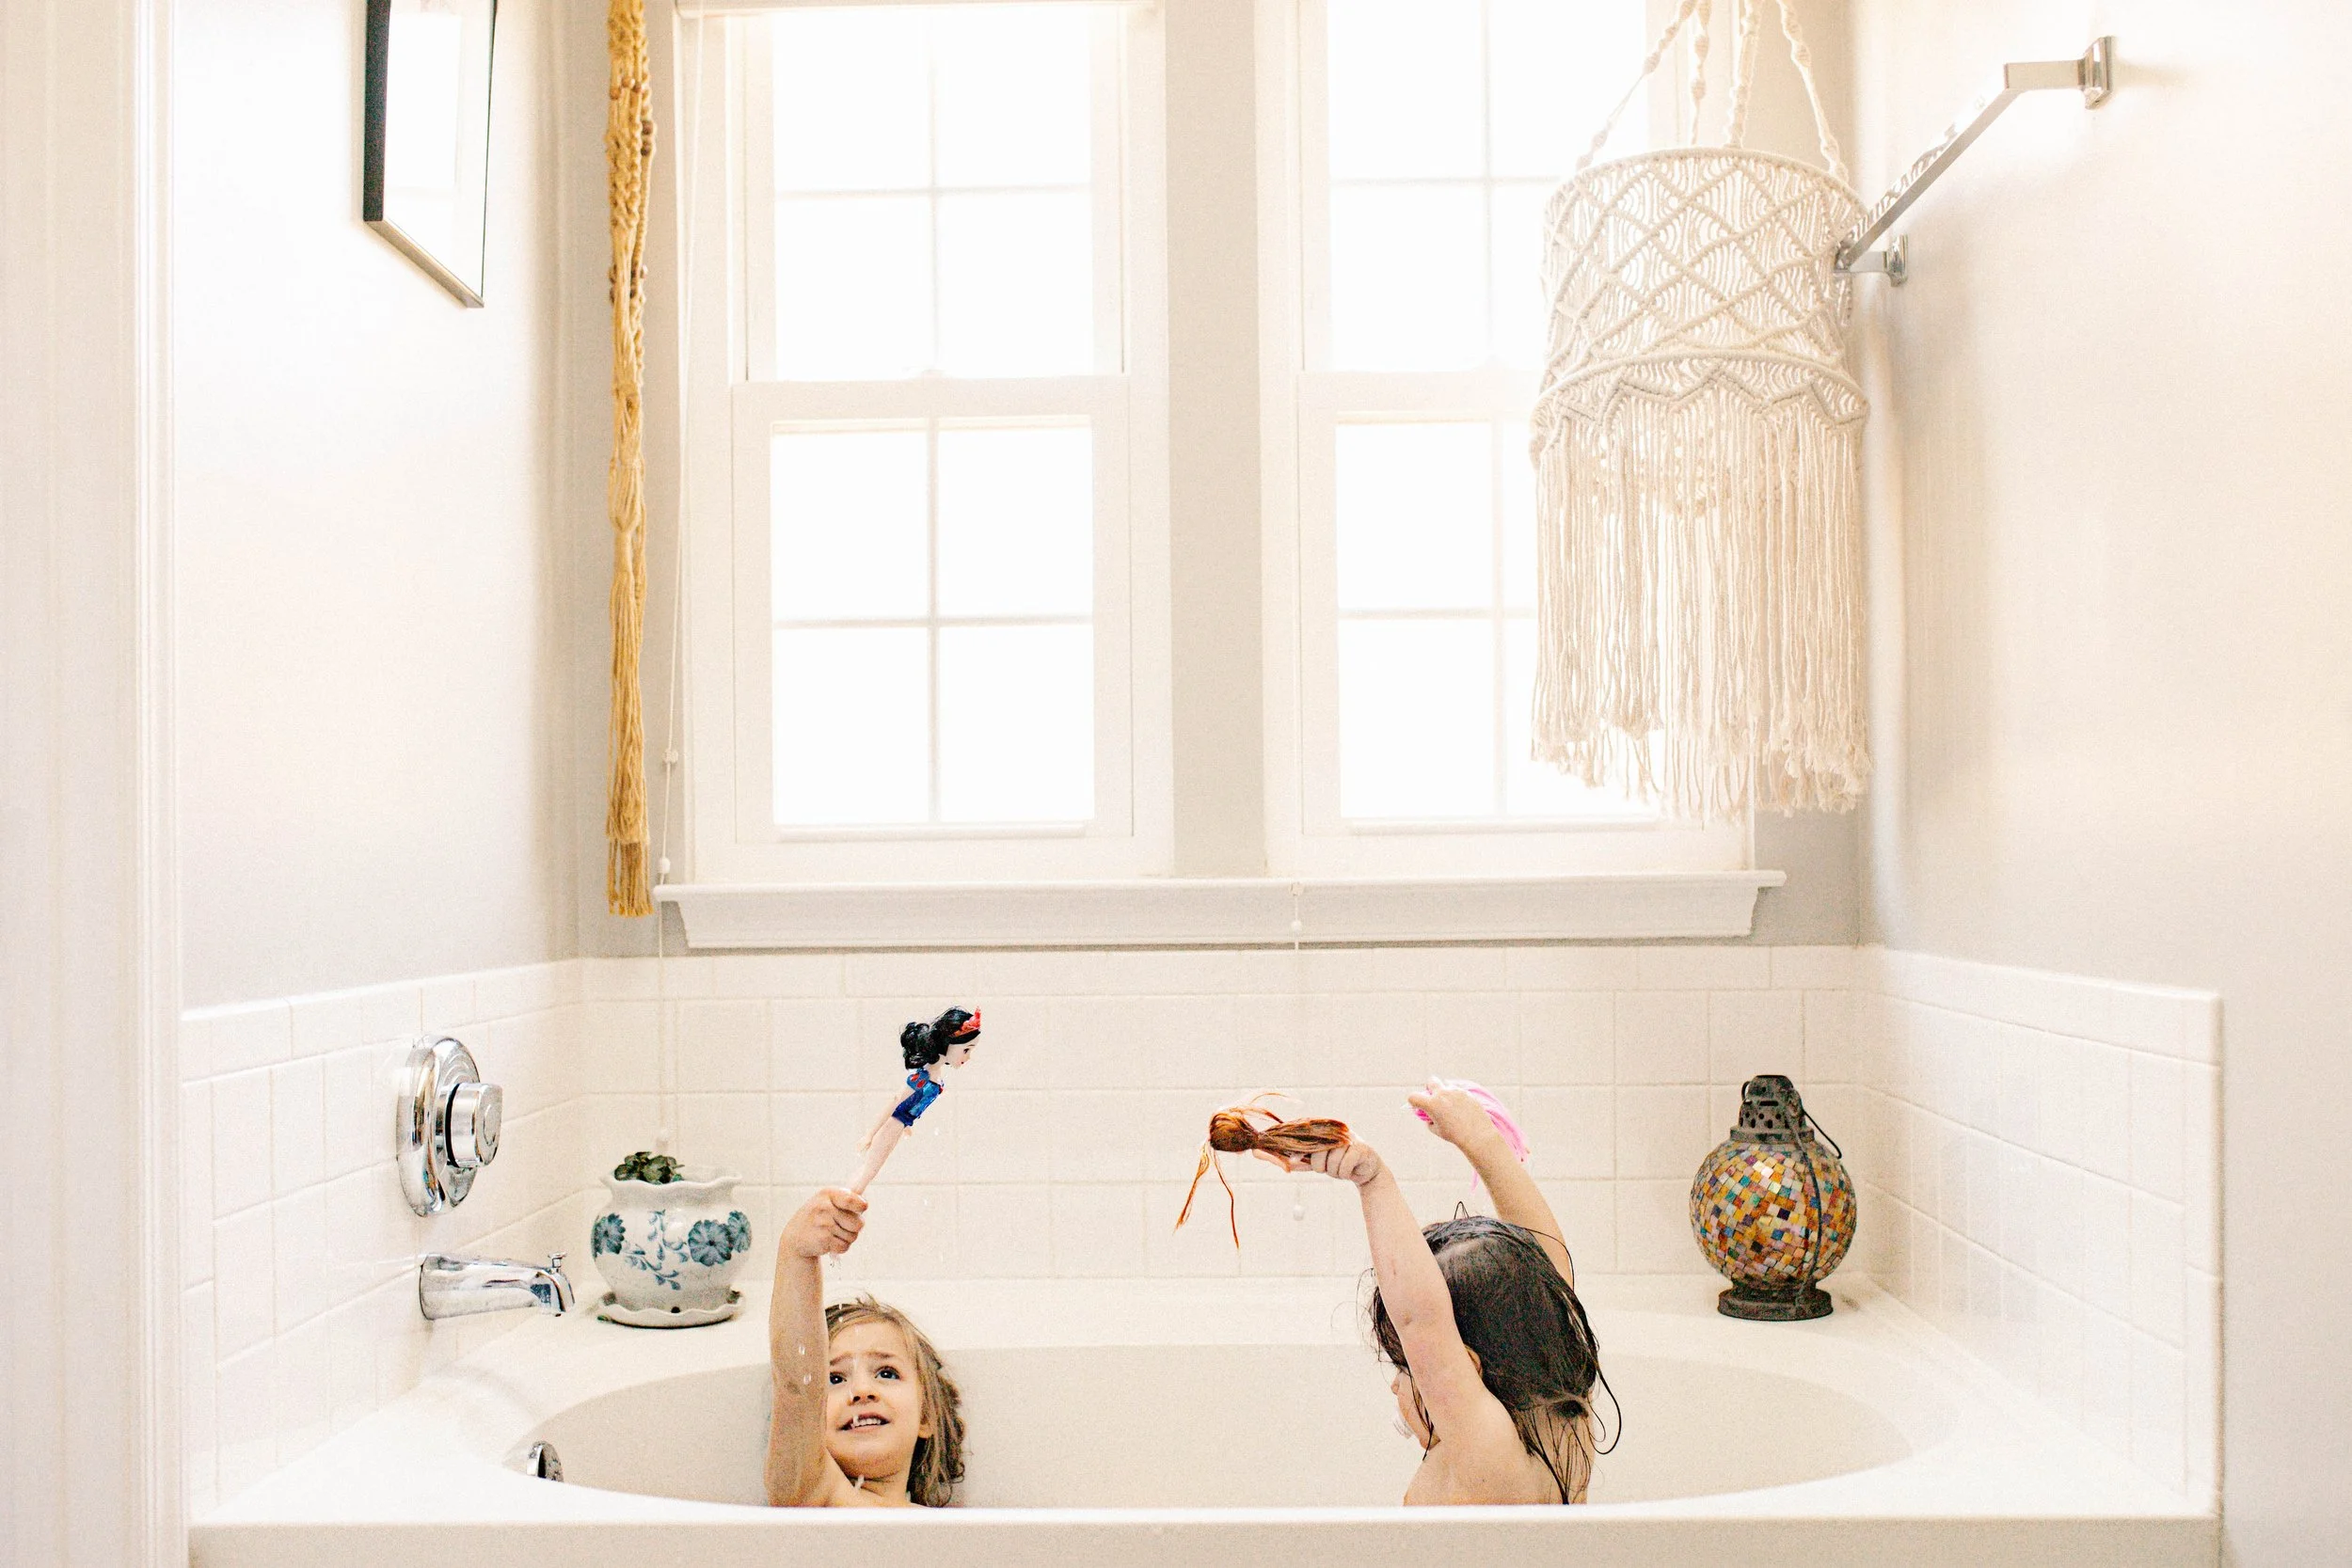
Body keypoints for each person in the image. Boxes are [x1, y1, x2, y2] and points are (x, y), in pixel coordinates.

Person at [1269, 1081, 1608, 1505]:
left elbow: (1420, 1319)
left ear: (1466, 1365)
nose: (1398, 1385)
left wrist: (1372, 1179)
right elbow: (1549, 1268)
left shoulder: (1488, 1455)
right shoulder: (1563, 1415)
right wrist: (1481, 1140)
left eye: (1409, 1366)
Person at [764, 1186, 966, 1508]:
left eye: (886, 1373)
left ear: (926, 1414)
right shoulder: (817, 1496)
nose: (861, 1391)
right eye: (834, 1379)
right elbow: (797, 1386)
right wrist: (796, 1253)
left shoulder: (959, 1529)